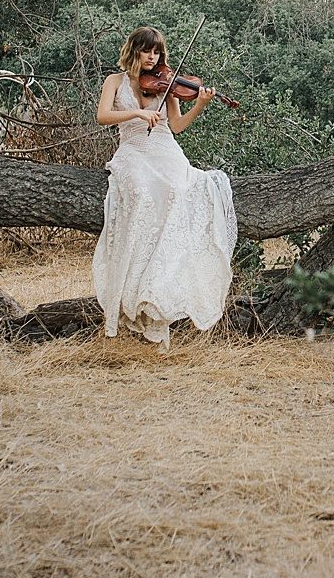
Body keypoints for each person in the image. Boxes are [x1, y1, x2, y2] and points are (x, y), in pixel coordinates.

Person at [91, 26, 238, 350]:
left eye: (157, 53)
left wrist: (199, 104)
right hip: (133, 149)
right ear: (134, 50)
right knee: (142, 194)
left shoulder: (166, 84)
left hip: (165, 149)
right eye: (147, 51)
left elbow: (177, 126)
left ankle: (159, 290)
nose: (153, 58)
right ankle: (136, 288)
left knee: (178, 192)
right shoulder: (114, 82)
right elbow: (103, 116)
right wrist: (139, 112)